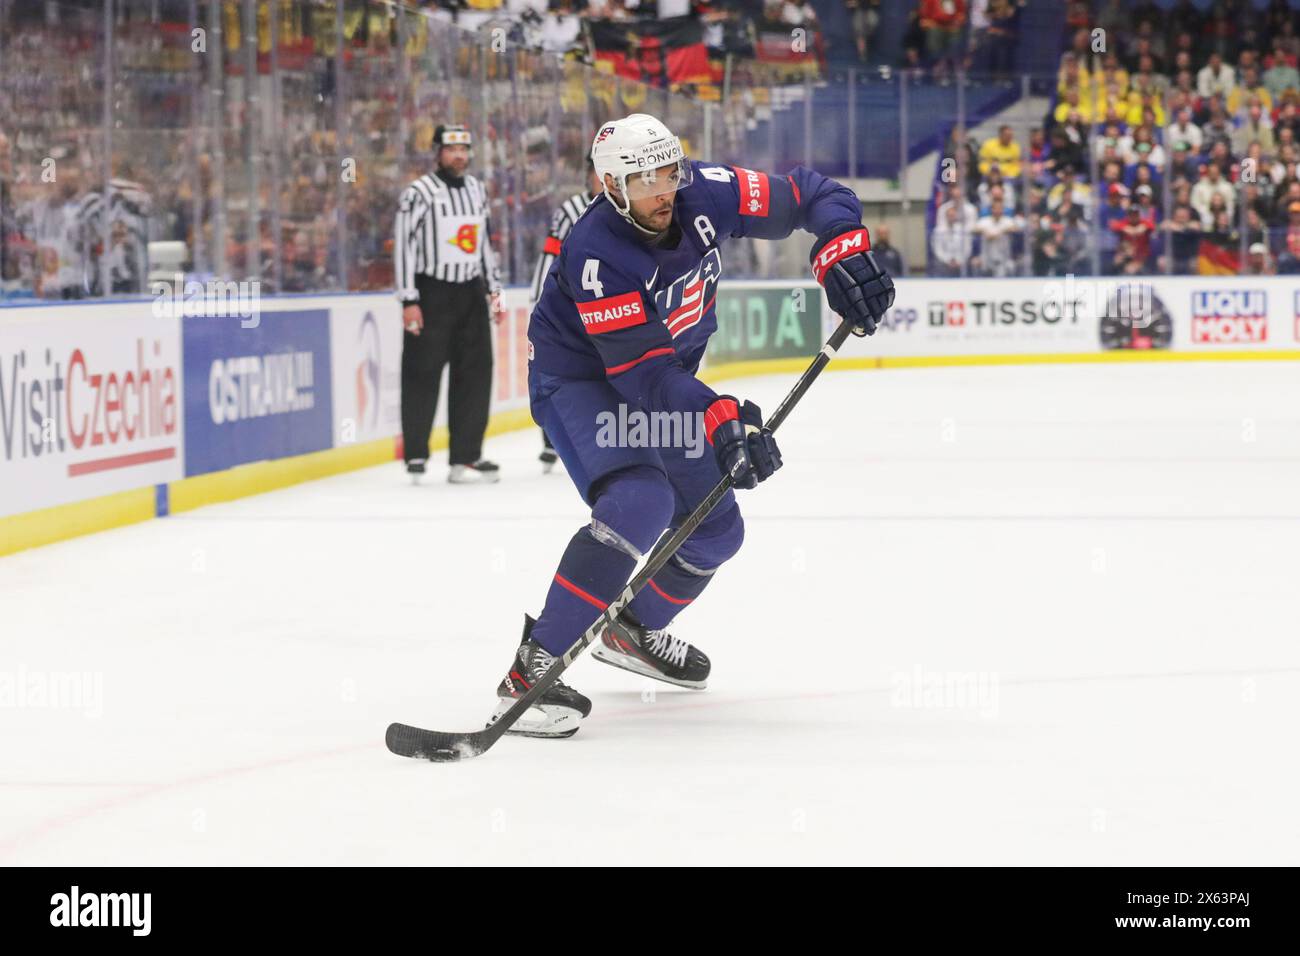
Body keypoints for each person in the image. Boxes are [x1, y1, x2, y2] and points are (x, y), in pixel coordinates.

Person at [495, 113, 894, 737]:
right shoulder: (596, 251)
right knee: (640, 500)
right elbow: (644, 378)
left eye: (668, 170)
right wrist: (718, 415)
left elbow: (815, 195)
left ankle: (632, 631)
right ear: (610, 187)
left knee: (714, 530)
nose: (663, 189)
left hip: (662, 382)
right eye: (644, 178)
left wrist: (840, 248)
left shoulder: (703, 190)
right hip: (583, 384)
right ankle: (531, 667)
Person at [394, 124, 506, 484]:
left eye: (464, 149)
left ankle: (466, 456)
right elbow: (403, 246)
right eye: (451, 149)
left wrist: (494, 290)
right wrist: (409, 298)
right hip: (432, 292)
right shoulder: (419, 192)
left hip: (470, 291)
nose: (459, 155)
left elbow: (484, 243)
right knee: (421, 372)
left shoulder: (476, 189)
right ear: (438, 152)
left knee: (476, 373)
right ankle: (415, 454)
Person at [528, 157, 601, 473]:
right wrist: (539, 302)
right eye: (597, 173)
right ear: (588, 176)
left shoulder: (633, 212)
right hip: (567, 309)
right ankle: (551, 440)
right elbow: (549, 255)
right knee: (559, 369)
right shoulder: (570, 211)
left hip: (607, 309)